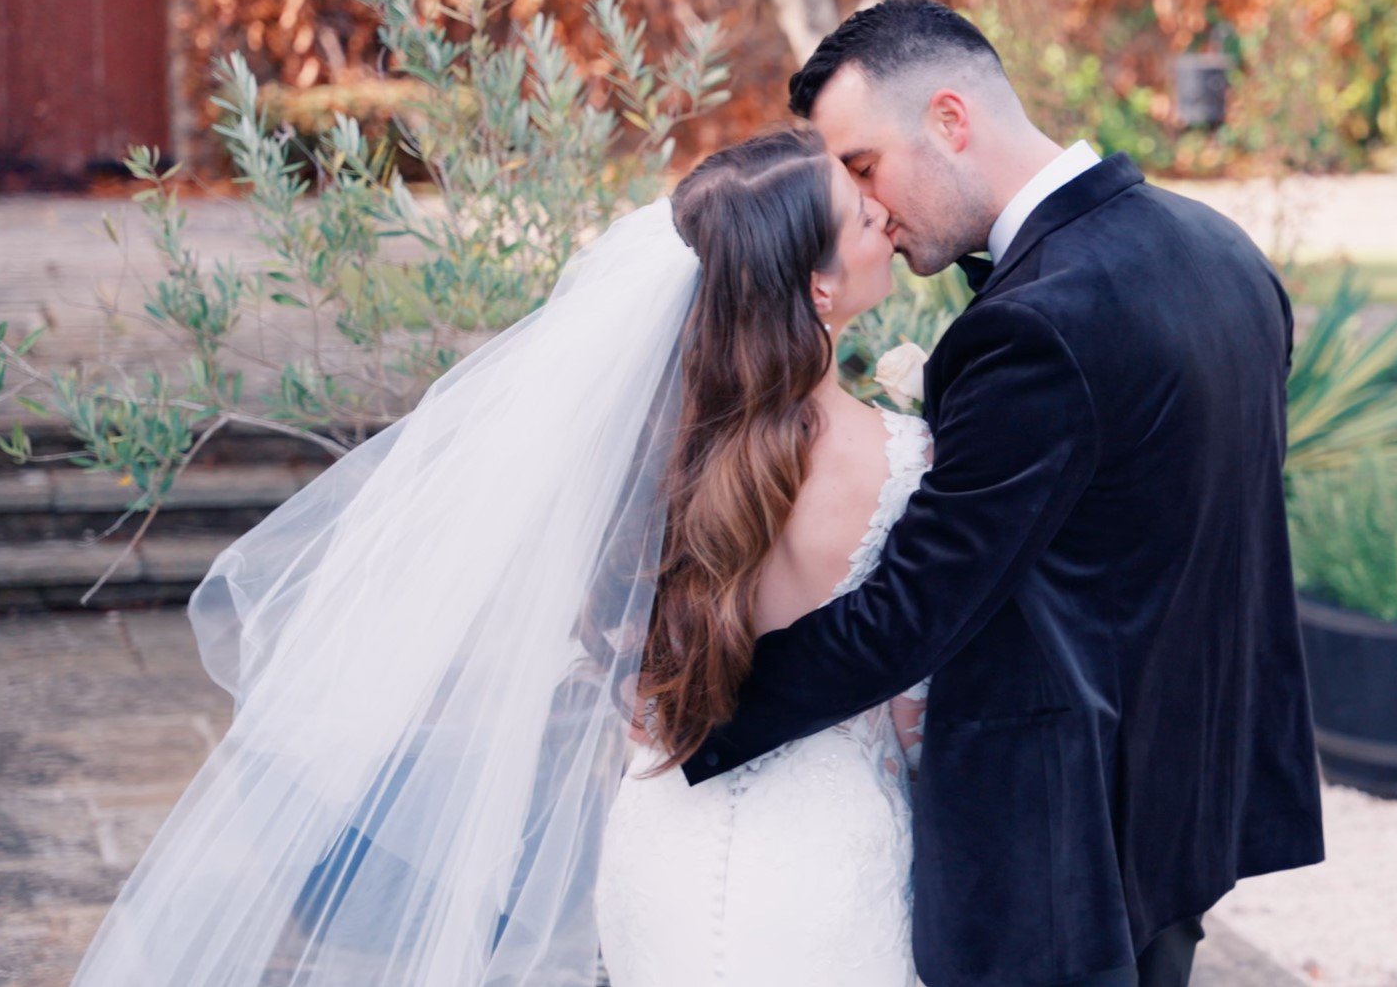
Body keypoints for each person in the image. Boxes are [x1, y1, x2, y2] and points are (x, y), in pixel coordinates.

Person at [70, 129, 946, 986]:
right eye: (859, 215)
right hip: (829, 858)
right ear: (817, 290)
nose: (881, 210)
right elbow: (912, 693)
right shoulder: (906, 461)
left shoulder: (649, 454)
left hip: (663, 844)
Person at [681, 0, 1325, 987]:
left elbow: (912, 614)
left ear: (948, 119)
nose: (874, 212)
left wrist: (696, 711)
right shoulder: (1224, 251)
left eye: (862, 167)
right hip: (1184, 812)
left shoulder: (1037, 324)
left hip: (1059, 852)